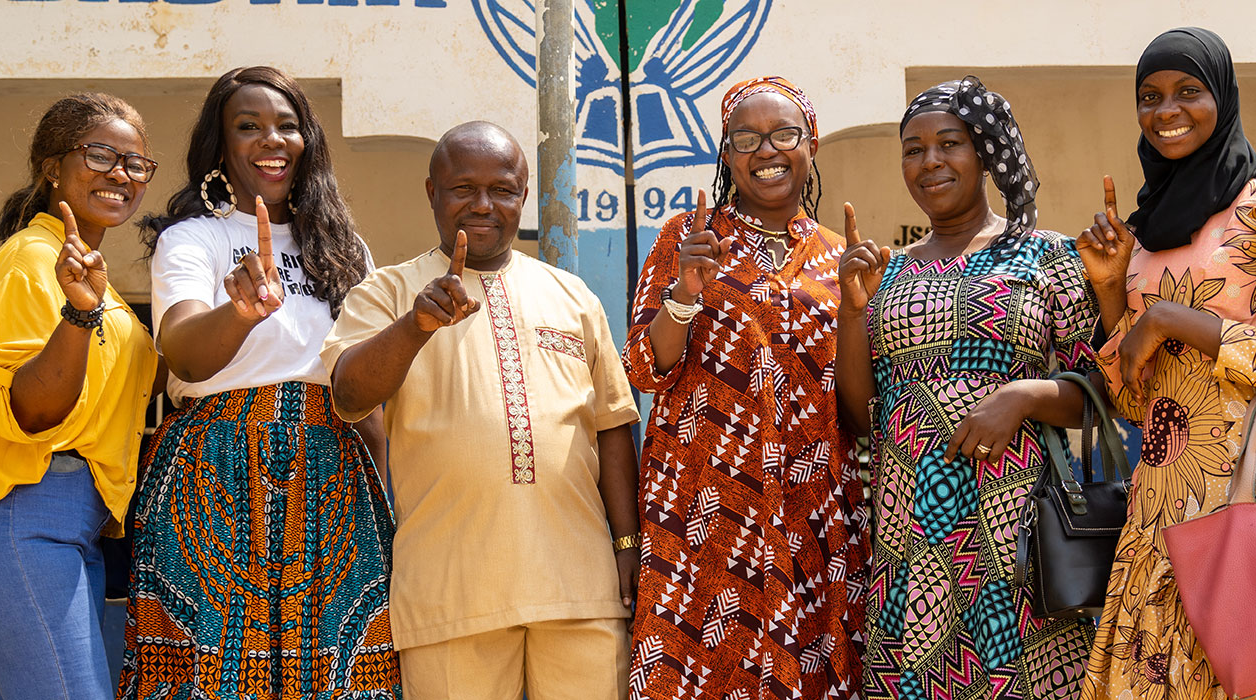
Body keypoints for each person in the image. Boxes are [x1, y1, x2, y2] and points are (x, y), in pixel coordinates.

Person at [1074, 28, 1256, 700]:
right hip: (1165, 521)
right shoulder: (1143, 238)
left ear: (1225, 97)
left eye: (1189, 90)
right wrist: (1110, 288)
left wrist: (1181, 321)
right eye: (1149, 97)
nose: (1166, 110)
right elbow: (1137, 404)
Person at [322, 120, 641, 700]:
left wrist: (626, 546)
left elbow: (614, 426)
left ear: (524, 194)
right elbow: (348, 394)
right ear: (432, 193)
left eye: (502, 189)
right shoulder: (390, 291)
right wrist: (415, 327)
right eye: (463, 188)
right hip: (450, 596)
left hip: (580, 588)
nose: (483, 205)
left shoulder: (572, 296)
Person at [119, 66, 400, 699]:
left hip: (336, 479)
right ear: (220, 148)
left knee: (343, 672)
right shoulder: (192, 239)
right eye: (248, 127)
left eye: (287, 125)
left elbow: (361, 388)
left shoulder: (344, 247)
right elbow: (185, 355)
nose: (271, 140)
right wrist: (239, 311)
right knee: (205, 674)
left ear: (309, 142)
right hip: (210, 471)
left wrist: (389, 503)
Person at [836, 77, 1101, 700]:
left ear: (985, 152)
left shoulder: (1048, 255)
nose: (929, 162)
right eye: (912, 148)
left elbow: (1100, 393)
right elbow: (858, 413)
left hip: (1017, 530)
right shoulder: (892, 271)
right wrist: (853, 314)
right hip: (912, 534)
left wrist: (1025, 397)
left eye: (948, 143)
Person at [623, 75, 867, 700]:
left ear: (810, 144)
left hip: (810, 507)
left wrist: (860, 305)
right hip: (703, 504)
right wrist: (684, 294)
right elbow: (645, 368)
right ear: (726, 154)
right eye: (746, 138)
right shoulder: (687, 237)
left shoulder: (837, 256)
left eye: (784, 134)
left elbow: (856, 398)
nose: (767, 150)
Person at [0, 92, 160, 699]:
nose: (122, 173)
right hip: (20, 511)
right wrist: (79, 317)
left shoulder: (102, 290)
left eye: (137, 163)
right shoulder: (31, 260)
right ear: (51, 167)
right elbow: (31, 411)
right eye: (101, 154)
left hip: (73, 523)